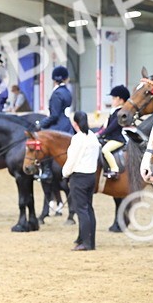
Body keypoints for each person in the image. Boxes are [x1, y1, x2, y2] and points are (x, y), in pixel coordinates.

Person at [63, 110, 101, 251]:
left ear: (75, 123)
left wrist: (65, 173)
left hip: (79, 176)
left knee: (81, 210)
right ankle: (89, 240)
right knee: (88, 208)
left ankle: (86, 242)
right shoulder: (92, 137)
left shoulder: (77, 138)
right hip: (91, 175)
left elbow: (72, 159)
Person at [98, 84, 129, 179]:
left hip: (118, 139)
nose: (112, 100)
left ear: (120, 100)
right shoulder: (114, 111)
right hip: (111, 138)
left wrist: (101, 134)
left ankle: (114, 170)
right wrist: (98, 132)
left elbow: (112, 127)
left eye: (114, 98)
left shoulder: (121, 112)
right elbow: (105, 125)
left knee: (105, 150)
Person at [37, 66, 75, 134]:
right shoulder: (67, 92)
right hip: (68, 125)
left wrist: (40, 124)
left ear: (54, 80)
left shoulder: (57, 94)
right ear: (66, 78)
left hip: (58, 127)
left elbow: (54, 115)